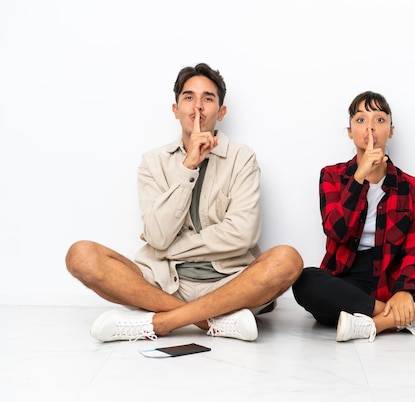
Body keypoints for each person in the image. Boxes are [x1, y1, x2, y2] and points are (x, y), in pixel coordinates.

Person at [66, 63, 303, 343]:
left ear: (222, 112)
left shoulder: (243, 159)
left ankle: (162, 322)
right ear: (176, 110)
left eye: (208, 98)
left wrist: (167, 247)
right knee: (80, 255)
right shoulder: (153, 162)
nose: (198, 107)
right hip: (162, 283)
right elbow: (157, 234)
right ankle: (211, 321)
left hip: (230, 283)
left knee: (287, 260)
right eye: (189, 98)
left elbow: (243, 234)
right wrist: (188, 165)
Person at [292, 91, 415, 342]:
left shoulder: (412, 186)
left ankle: (372, 324)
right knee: (305, 281)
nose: (371, 128)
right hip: (348, 280)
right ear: (350, 132)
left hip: (396, 279)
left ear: (391, 131)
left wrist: (404, 291)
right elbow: (336, 231)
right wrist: (359, 178)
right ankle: (412, 318)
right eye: (361, 120)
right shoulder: (332, 175)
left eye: (380, 120)